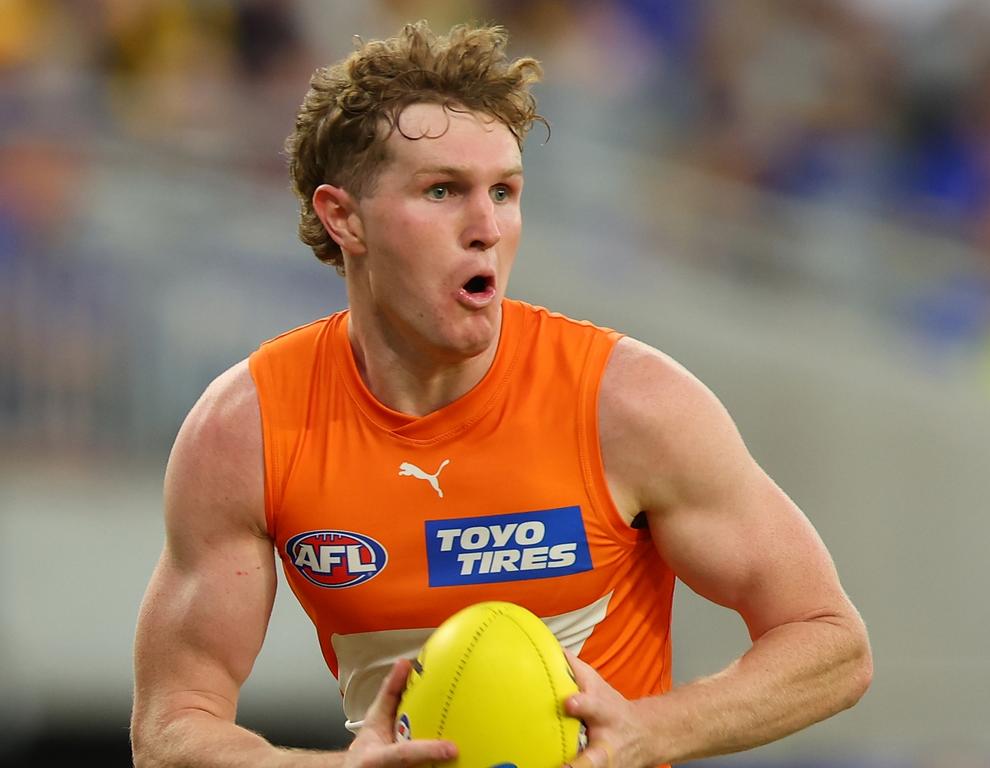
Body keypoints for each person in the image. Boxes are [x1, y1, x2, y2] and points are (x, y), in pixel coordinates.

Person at [130, 20, 872, 768]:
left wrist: (657, 731)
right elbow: (170, 728)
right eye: (443, 190)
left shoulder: (628, 404)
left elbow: (831, 642)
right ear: (343, 217)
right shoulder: (247, 429)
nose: (486, 227)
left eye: (506, 192)